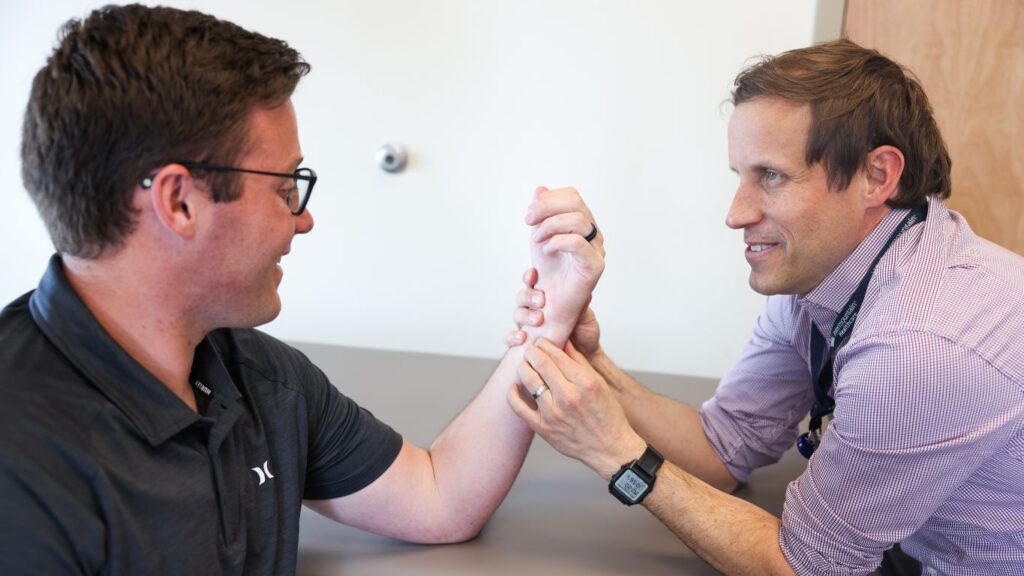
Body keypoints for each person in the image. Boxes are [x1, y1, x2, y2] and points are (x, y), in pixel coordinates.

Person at [0, 5, 602, 574]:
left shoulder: (257, 380)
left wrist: (552, 313)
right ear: (179, 202)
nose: (303, 217)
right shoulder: (24, 467)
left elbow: (441, 494)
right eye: (286, 187)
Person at [507, 39, 1024, 575]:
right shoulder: (827, 272)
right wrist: (597, 368)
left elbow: (803, 568)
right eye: (740, 176)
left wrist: (617, 455)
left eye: (771, 176)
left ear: (876, 176)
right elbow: (725, 448)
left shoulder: (921, 348)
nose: (736, 214)